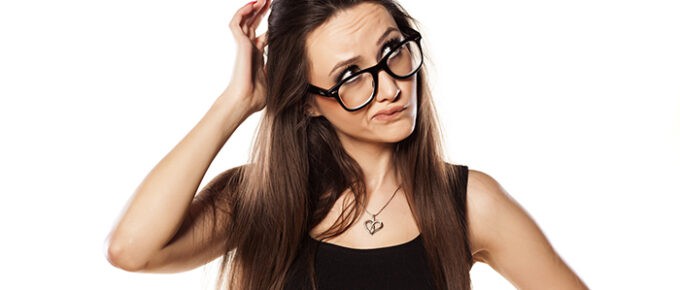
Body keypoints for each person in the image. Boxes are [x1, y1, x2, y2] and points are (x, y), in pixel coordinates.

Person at [105, 0, 588, 289]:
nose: (390, 87)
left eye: (392, 51)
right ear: (309, 101)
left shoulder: (468, 202)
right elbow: (132, 249)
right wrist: (236, 101)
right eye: (351, 76)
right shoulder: (259, 200)